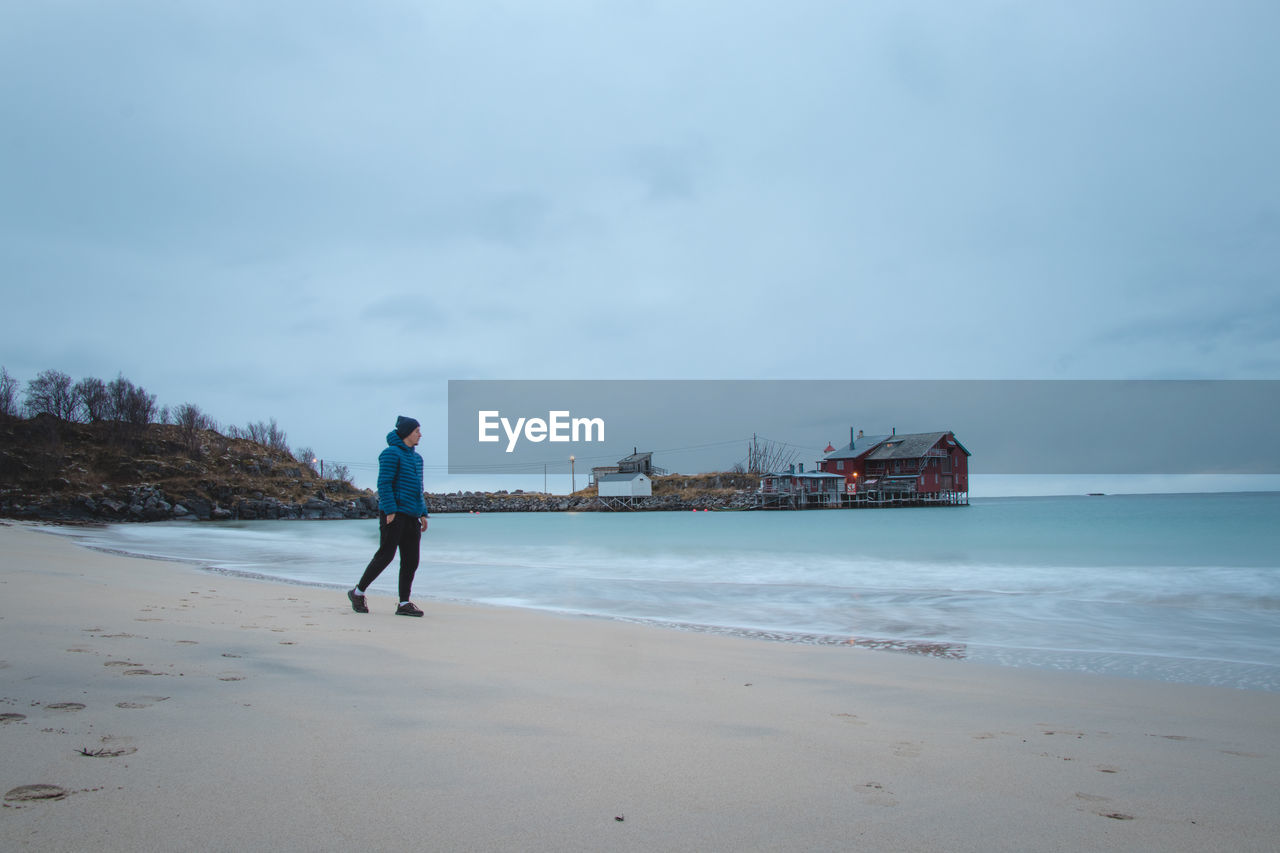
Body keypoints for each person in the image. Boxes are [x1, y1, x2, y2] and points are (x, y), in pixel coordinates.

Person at [348, 416, 429, 616]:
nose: (420, 434)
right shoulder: (390, 454)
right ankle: (358, 592)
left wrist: (423, 513)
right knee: (385, 555)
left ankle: (403, 604)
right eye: (417, 430)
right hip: (394, 514)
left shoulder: (417, 459)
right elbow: (384, 484)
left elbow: (419, 489)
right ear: (407, 433)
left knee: (411, 561)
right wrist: (390, 510)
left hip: (412, 515)